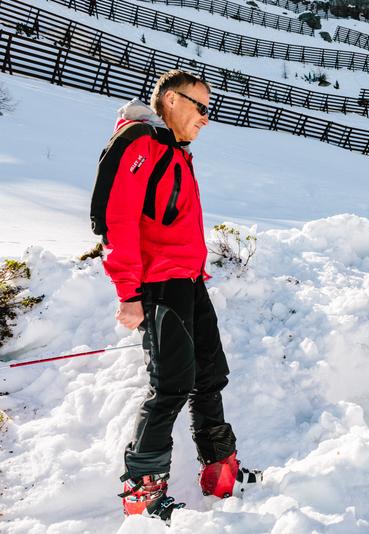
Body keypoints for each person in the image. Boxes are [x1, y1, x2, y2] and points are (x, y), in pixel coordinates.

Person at [90, 70, 259, 522]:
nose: (207, 118)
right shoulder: (141, 143)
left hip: (189, 280)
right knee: (172, 384)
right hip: (158, 285)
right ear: (170, 100)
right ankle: (142, 492)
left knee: (210, 374)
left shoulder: (174, 152)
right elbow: (116, 219)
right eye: (201, 107)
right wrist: (129, 292)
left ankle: (221, 470)